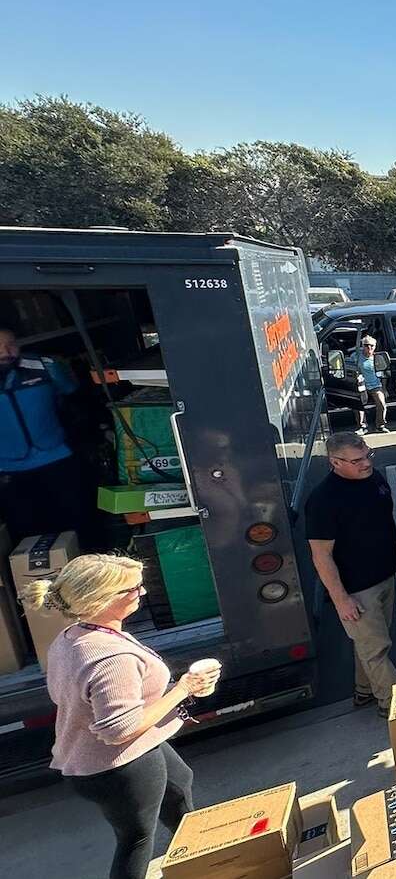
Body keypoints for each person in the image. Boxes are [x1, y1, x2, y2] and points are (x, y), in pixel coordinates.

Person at [26, 553, 221, 879]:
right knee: (136, 838)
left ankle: (208, 860)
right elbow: (120, 729)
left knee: (179, 784)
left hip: (112, 755)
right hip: (118, 765)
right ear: (101, 599)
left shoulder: (72, 636)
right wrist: (183, 688)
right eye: (133, 588)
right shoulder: (109, 658)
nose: (142, 592)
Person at [305, 432, 396, 709]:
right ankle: (395, 705)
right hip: (357, 589)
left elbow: (385, 521)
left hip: (385, 575)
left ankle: (364, 690)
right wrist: (341, 600)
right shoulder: (323, 501)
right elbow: (322, 556)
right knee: (376, 650)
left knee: (370, 643)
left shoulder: (374, 479)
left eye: (368, 456)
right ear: (335, 462)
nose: (366, 463)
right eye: (357, 460)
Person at [0, 326, 91, 541]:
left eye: (10, 344)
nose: (5, 352)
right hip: (9, 468)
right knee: (27, 534)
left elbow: (74, 396)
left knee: (78, 523)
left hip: (57, 456)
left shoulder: (43, 366)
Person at [352, 335, 389, 434]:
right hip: (361, 385)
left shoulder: (378, 358)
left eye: (372, 346)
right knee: (358, 404)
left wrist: (384, 389)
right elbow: (350, 368)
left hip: (376, 385)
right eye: (366, 345)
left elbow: (383, 374)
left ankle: (380, 425)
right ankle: (362, 426)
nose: (369, 348)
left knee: (381, 403)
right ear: (362, 346)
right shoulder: (356, 356)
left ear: (375, 347)